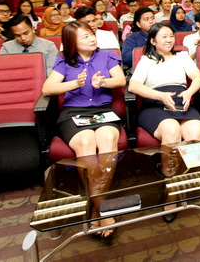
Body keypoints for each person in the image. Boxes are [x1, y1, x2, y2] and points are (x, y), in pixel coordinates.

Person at [42, 20, 126, 238]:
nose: (92, 39)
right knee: (87, 142)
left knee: (107, 139)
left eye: (92, 34)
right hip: (73, 114)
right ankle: (102, 207)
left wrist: (103, 83)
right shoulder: (64, 61)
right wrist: (75, 84)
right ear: (72, 42)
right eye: (85, 36)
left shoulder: (107, 56)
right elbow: (47, 89)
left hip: (102, 111)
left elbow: (120, 80)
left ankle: (96, 206)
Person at [128, 23, 200, 146]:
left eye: (171, 36)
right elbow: (133, 85)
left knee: (196, 129)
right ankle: (171, 160)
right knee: (172, 129)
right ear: (153, 41)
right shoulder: (147, 60)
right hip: (155, 105)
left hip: (181, 104)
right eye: (164, 37)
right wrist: (160, 95)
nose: (169, 40)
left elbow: (198, 78)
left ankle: (191, 160)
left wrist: (189, 92)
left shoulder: (182, 56)